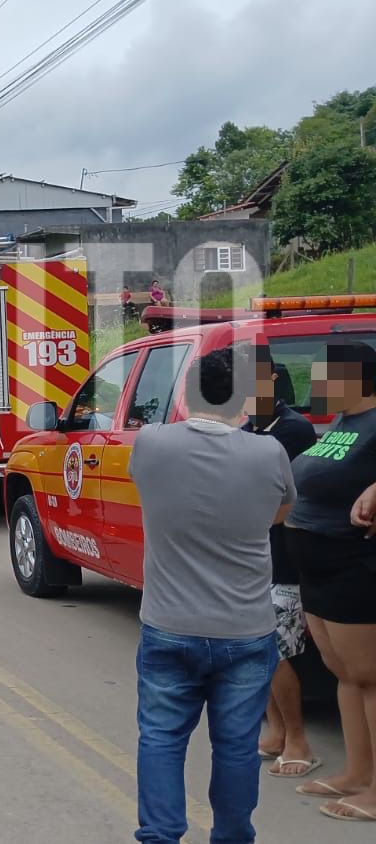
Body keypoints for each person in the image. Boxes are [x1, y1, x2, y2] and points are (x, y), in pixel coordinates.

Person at [129, 346, 295, 843]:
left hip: (169, 625)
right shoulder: (269, 452)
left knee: (161, 739)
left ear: (187, 393)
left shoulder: (151, 443)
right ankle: (233, 836)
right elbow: (281, 512)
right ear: (243, 399)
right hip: (245, 630)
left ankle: (161, 835)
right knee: (237, 748)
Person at [284, 341, 376, 821]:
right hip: (315, 565)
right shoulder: (342, 422)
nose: (316, 384)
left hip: (353, 564)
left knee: (371, 676)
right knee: (345, 675)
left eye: (325, 375)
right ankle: (357, 774)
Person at [242, 361, 321, 779]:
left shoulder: (293, 430)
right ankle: (275, 732)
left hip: (285, 559)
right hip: (252, 558)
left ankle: (298, 741)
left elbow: (274, 494)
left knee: (278, 651)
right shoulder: (248, 430)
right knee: (258, 650)